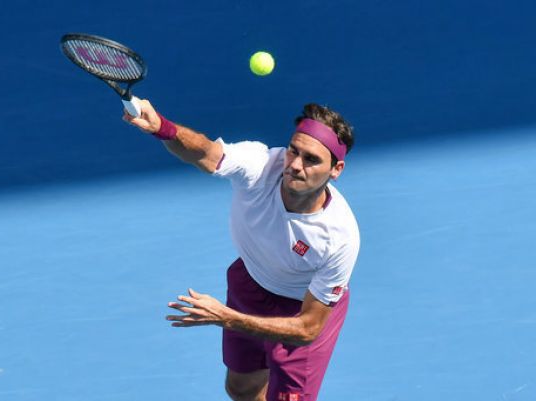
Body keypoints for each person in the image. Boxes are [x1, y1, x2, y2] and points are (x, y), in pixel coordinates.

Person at [124, 99, 360, 401]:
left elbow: (308, 328)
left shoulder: (340, 236)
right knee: (241, 388)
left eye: (311, 160)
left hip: (305, 308)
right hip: (250, 283)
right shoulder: (261, 166)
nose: (295, 166)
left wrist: (226, 317)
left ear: (336, 169)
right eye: (293, 151)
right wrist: (161, 127)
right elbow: (208, 155)